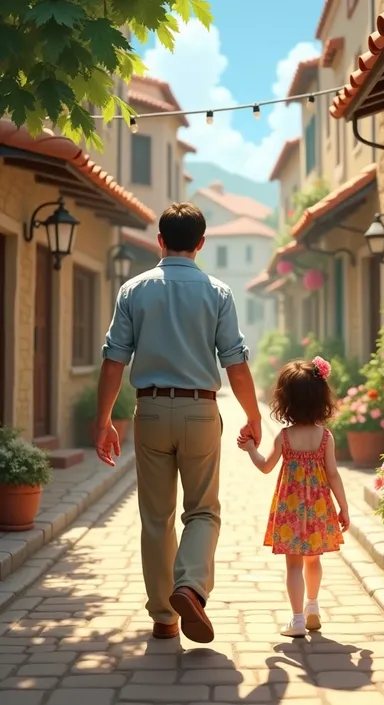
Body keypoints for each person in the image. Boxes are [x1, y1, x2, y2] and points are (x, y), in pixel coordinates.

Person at [95, 203, 262, 644]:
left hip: (149, 411)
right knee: (203, 510)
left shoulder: (133, 290)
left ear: (160, 241)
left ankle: (165, 618)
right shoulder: (219, 293)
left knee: (156, 517)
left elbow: (114, 361)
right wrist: (253, 414)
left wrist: (104, 420)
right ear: (202, 244)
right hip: (200, 411)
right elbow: (236, 365)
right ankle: (189, 585)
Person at [238, 357, 349, 638]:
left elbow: (265, 466)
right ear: (320, 399)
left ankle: (298, 619)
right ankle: (313, 605)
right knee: (314, 559)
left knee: (293, 565)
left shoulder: (284, 438)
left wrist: (250, 448)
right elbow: (333, 474)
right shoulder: (325, 437)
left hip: (290, 511)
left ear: (285, 401)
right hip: (319, 507)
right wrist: (343, 507)